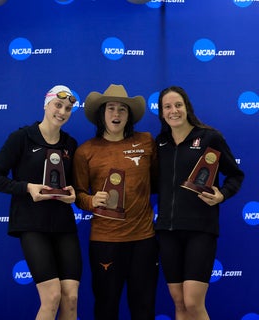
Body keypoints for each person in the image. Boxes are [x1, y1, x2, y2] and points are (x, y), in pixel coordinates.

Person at [0, 85, 81, 320]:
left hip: (63, 225)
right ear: (45, 105)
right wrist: (27, 188)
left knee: (71, 297)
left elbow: (75, 187)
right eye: (57, 105)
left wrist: (74, 194)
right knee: (51, 297)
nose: (62, 112)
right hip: (31, 224)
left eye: (68, 108)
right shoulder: (22, 137)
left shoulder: (70, 144)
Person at [155, 86, 243, 319]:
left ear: (187, 108)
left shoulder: (209, 138)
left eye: (178, 105)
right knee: (179, 303)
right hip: (167, 231)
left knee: (193, 302)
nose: (173, 111)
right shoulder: (160, 144)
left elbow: (235, 174)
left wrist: (222, 194)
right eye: (167, 107)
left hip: (200, 230)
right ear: (161, 113)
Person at [72, 84, 158, 320]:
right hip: (105, 241)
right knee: (106, 307)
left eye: (122, 109)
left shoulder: (146, 142)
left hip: (144, 240)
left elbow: (159, 182)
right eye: (111, 108)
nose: (116, 114)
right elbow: (77, 195)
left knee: (144, 308)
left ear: (129, 115)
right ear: (102, 113)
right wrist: (91, 200)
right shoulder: (85, 151)